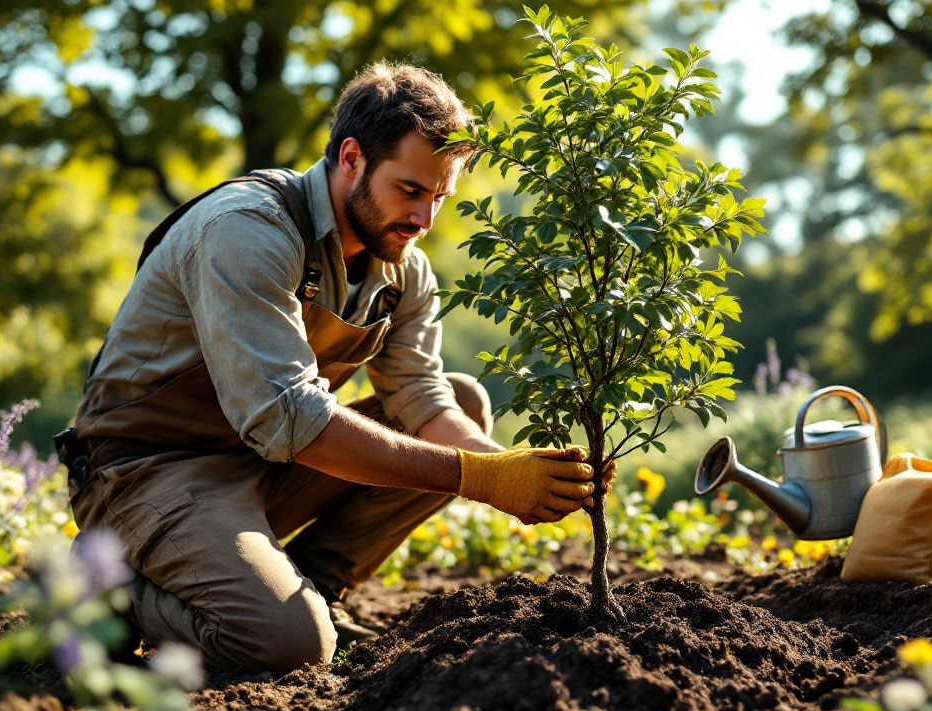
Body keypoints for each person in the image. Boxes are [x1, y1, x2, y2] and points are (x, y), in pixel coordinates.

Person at [59, 62, 603, 675]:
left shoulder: (401, 265)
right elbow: (293, 418)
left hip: (260, 462)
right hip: (147, 471)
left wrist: (503, 467)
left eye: (439, 197)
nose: (425, 220)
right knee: (288, 646)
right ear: (351, 159)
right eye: (410, 190)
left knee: (464, 400)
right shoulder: (247, 231)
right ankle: (106, 594)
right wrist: (475, 478)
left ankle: (317, 584)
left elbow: (421, 397)